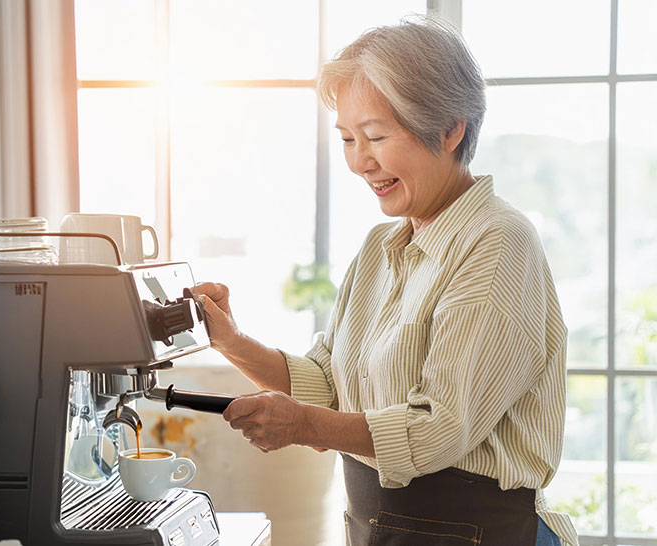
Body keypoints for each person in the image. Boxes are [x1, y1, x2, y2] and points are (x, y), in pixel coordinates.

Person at [192, 15, 579, 546]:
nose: (359, 161)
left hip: (476, 533)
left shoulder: (498, 243)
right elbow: (327, 385)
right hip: (384, 528)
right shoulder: (379, 248)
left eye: (375, 136)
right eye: (348, 138)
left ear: (450, 130)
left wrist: (303, 427)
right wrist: (230, 342)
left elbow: (440, 427)